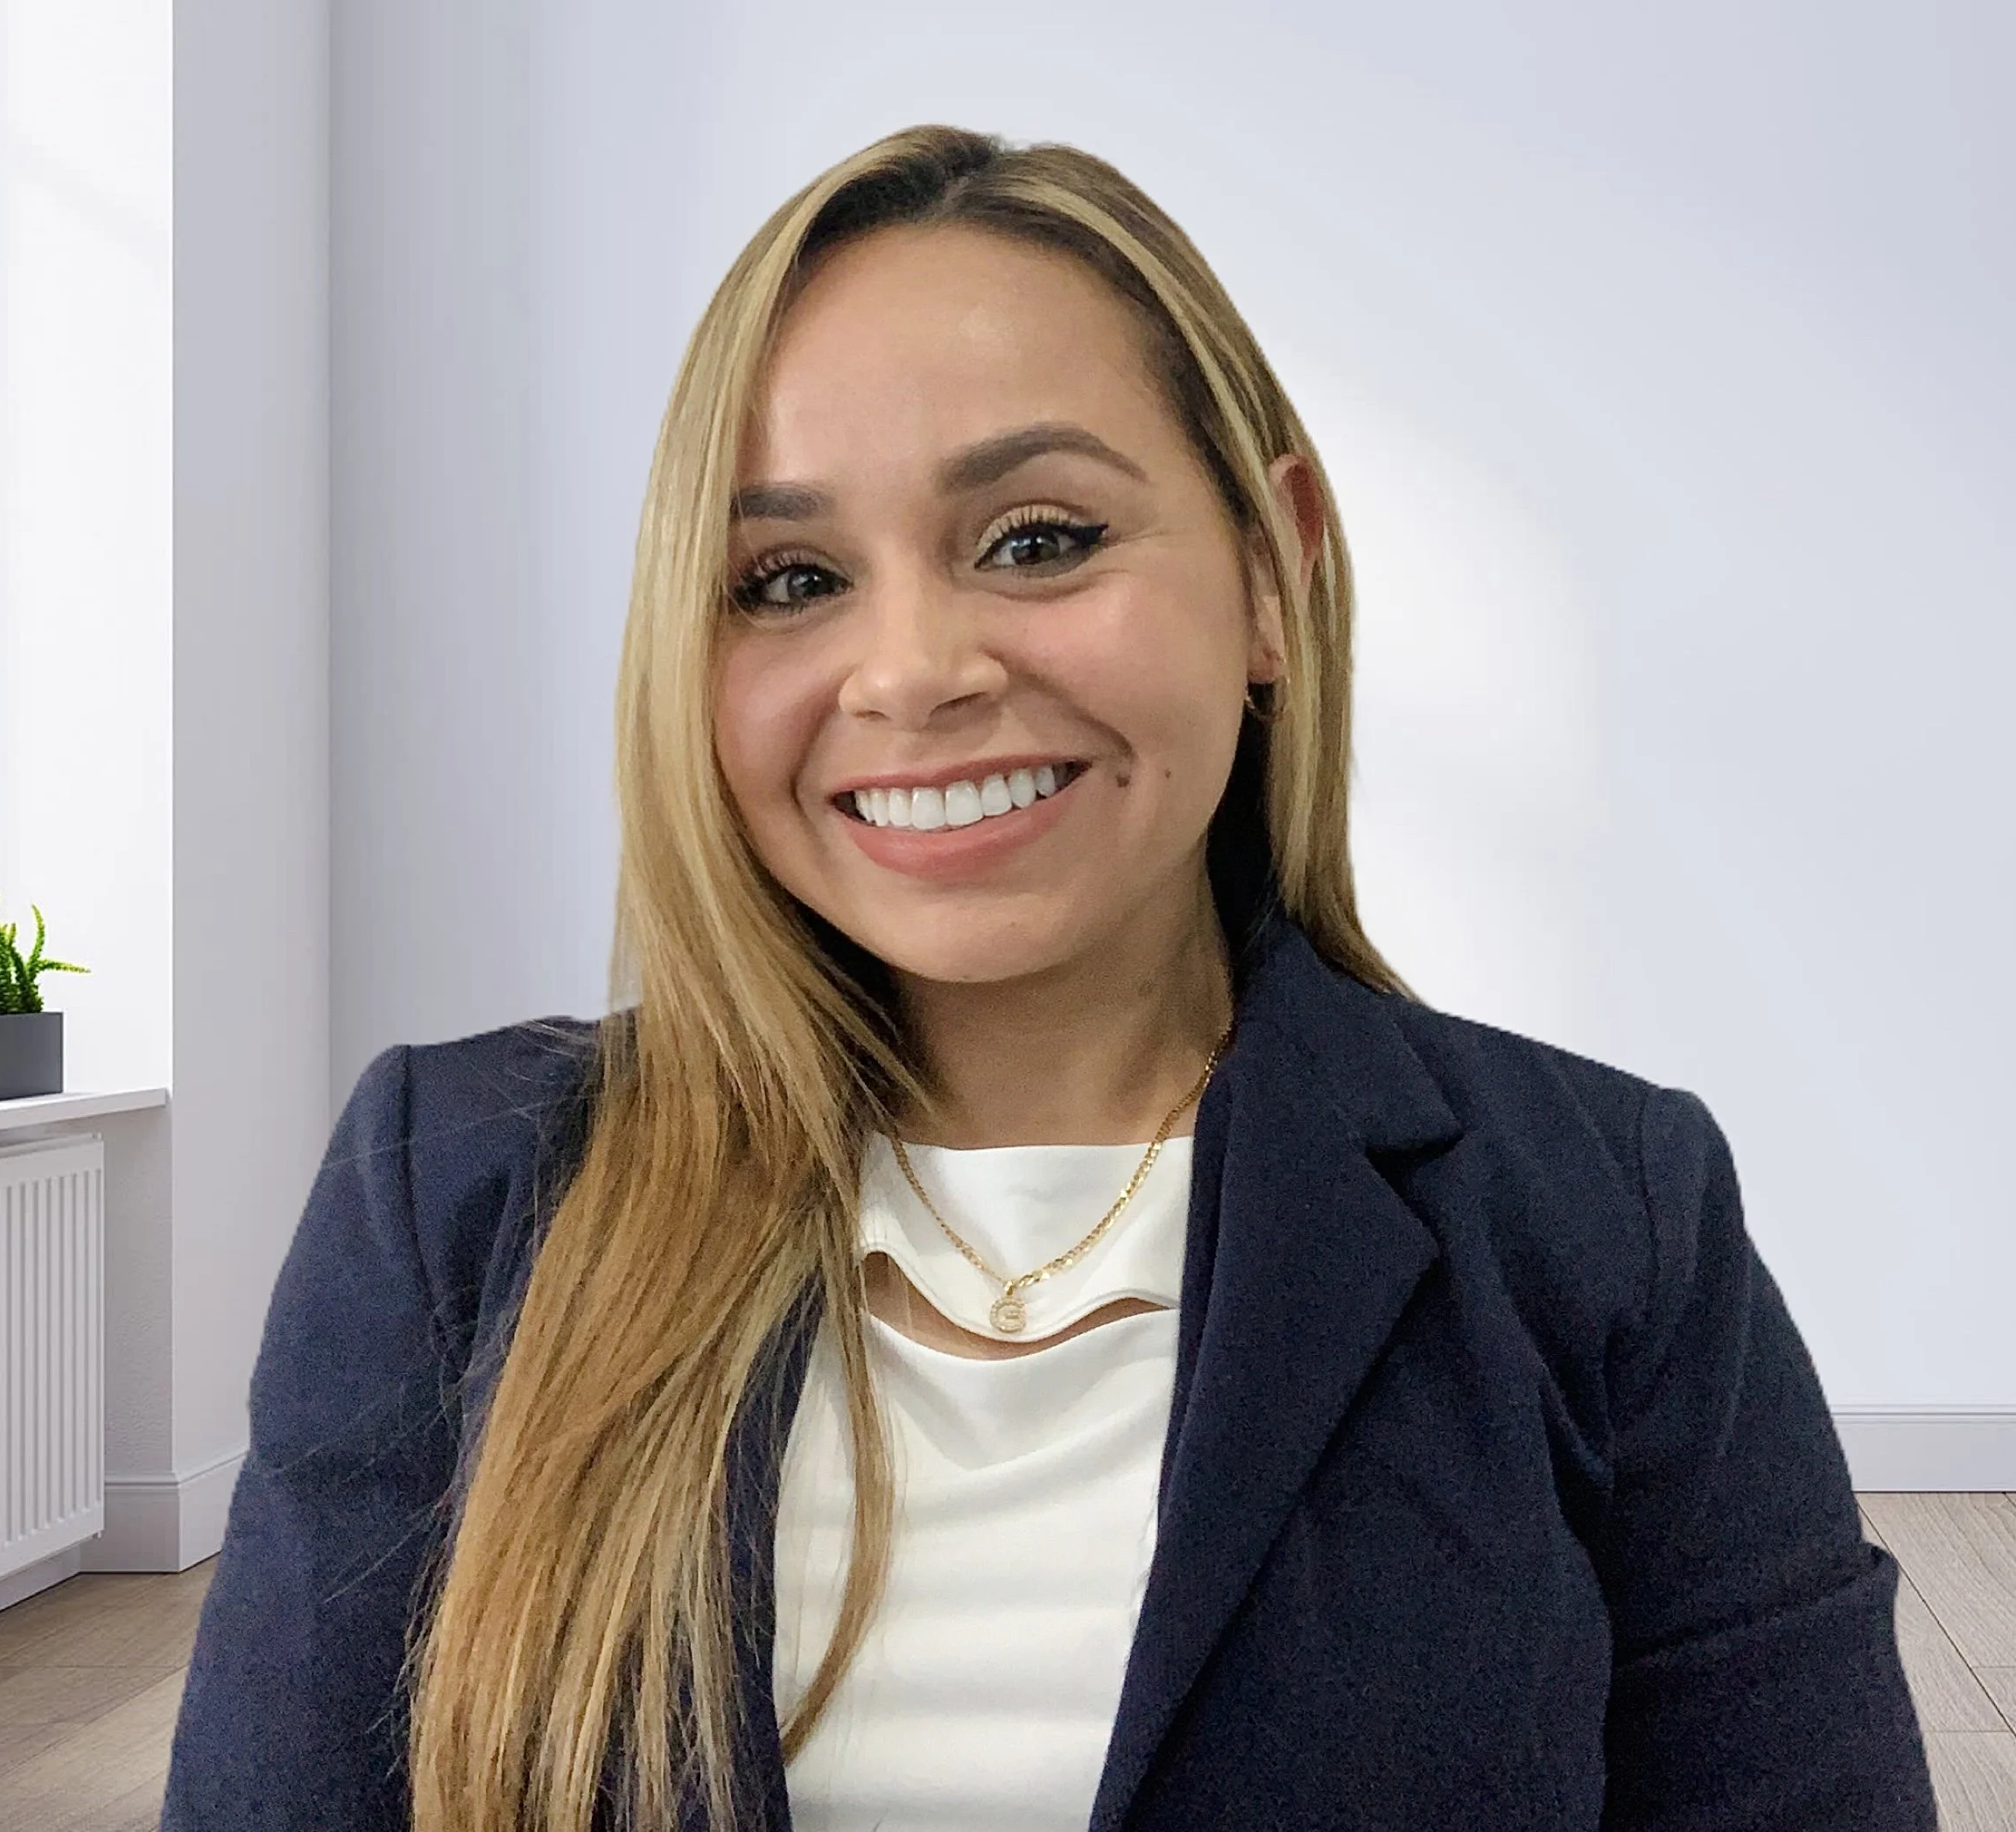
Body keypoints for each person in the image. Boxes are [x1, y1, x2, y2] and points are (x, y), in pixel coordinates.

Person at [160, 124, 1936, 1832]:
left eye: (1039, 538)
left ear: (1270, 567)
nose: (915, 669)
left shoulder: (1607, 1216)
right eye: (787, 577)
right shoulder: (454, 1192)